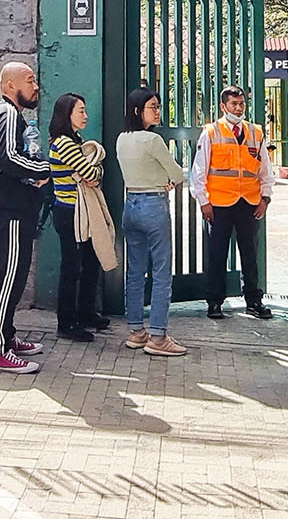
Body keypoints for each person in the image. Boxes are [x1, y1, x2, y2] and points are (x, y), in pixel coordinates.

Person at [0, 61, 50, 374]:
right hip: (9, 211)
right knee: (7, 277)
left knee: (16, 275)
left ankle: (7, 336)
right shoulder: (6, 113)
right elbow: (7, 157)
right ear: (10, 86)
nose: (36, 86)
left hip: (18, 209)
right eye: (30, 80)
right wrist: (42, 170)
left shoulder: (15, 116)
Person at [189, 85, 274, 320]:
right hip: (219, 204)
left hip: (248, 202)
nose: (238, 107)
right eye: (233, 104)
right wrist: (203, 201)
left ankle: (253, 301)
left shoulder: (256, 133)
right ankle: (215, 302)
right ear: (223, 106)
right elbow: (199, 170)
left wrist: (265, 198)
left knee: (250, 254)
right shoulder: (212, 132)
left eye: (241, 103)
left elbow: (265, 169)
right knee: (217, 254)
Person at [115, 87, 187, 356]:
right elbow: (177, 173)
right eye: (152, 106)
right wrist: (166, 180)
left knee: (134, 272)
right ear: (138, 111)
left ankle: (136, 331)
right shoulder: (152, 140)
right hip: (153, 204)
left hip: (131, 203)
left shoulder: (122, 139)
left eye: (158, 106)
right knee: (160, 272)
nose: (157, 110)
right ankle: (158, 336)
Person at [47, 92, 107, 343]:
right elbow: (90, 173)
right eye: (80, 110)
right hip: (70, 211)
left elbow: (94, 173)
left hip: (80, 211)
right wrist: (94, 170)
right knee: (72, 267)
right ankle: (67, 322)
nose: (85, 115)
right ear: (66, 114)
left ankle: (86, 313)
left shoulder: (75, 140)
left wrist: (94, 171)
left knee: (90, 263)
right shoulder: (64, 143)